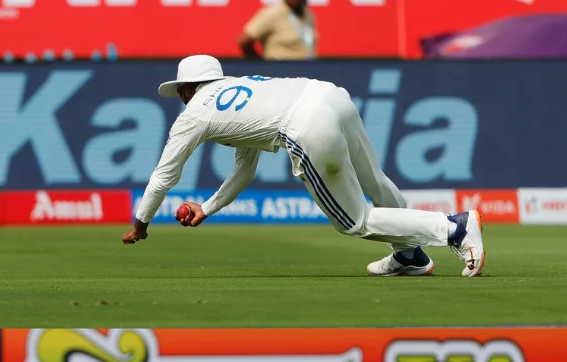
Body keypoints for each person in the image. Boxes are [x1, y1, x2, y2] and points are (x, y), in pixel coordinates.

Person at [122, 55, 487, 278]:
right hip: (329, 94)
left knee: (353, 221)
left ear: (188, 89)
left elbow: (163, 177)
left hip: (304, 123)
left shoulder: (195, 115)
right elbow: (245, 171)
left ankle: (453, 228)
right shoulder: (238, 90)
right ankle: (408, 255)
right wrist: (209, 208)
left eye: (181, 91)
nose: (181, 99)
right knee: (374, 180)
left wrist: (141, 223)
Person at [239, 0, 318, 61]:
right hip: (279, 72)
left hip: (307, 71)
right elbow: (244, 40)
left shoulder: (308, 13)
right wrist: (260, 65)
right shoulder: (273, 13)